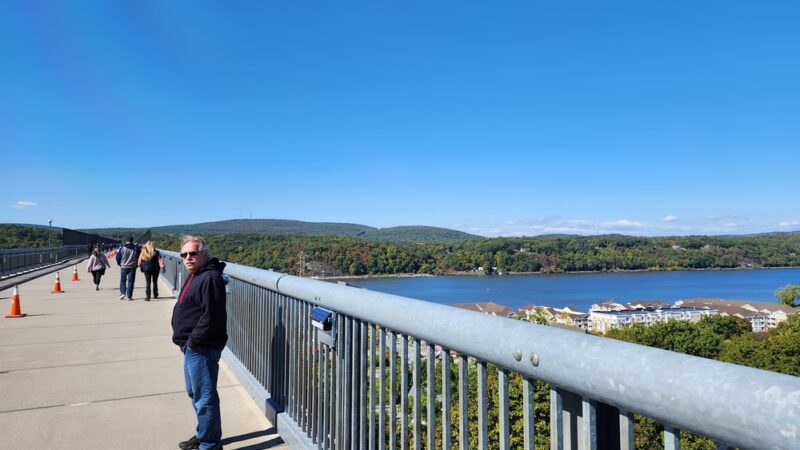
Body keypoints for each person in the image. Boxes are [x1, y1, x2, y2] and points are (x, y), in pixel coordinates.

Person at [172, 236, 227, 450]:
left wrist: (193, 342)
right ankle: (204, 434)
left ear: (205, 254)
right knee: (195, 393)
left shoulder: (210, 277)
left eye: (193, 253)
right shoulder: (195, 275)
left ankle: (210, 444)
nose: (188, 258)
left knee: (205, 398)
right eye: (184, 255)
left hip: (201, 347)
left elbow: (210, 317)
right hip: (191, 346)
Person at [115, 236, 140, 301]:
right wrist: (137, 264)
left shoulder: (122, 248)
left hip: (123, 266)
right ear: (132, 241)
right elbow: (139, 257)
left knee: (123, 280)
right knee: (131, 281)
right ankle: (129, 296)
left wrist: (119, 263)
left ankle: (123, 293)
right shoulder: (136, 248)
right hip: (132, 266)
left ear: (126, 241)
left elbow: (118, 257)